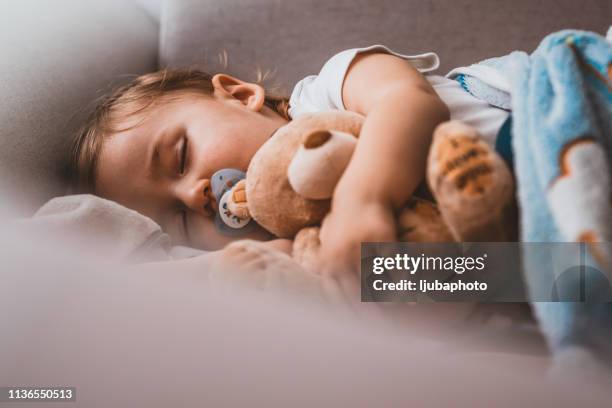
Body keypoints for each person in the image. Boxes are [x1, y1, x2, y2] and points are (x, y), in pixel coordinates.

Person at [69, 45, 512, 280]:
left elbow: (410, 104)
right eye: (179, 219)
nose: (193, 196)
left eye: (181, 157)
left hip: (531, 134)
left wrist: (365, 199)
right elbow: (476, 281)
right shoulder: (319, 250)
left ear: (241, 96)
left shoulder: (329, 91)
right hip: (532, 245)